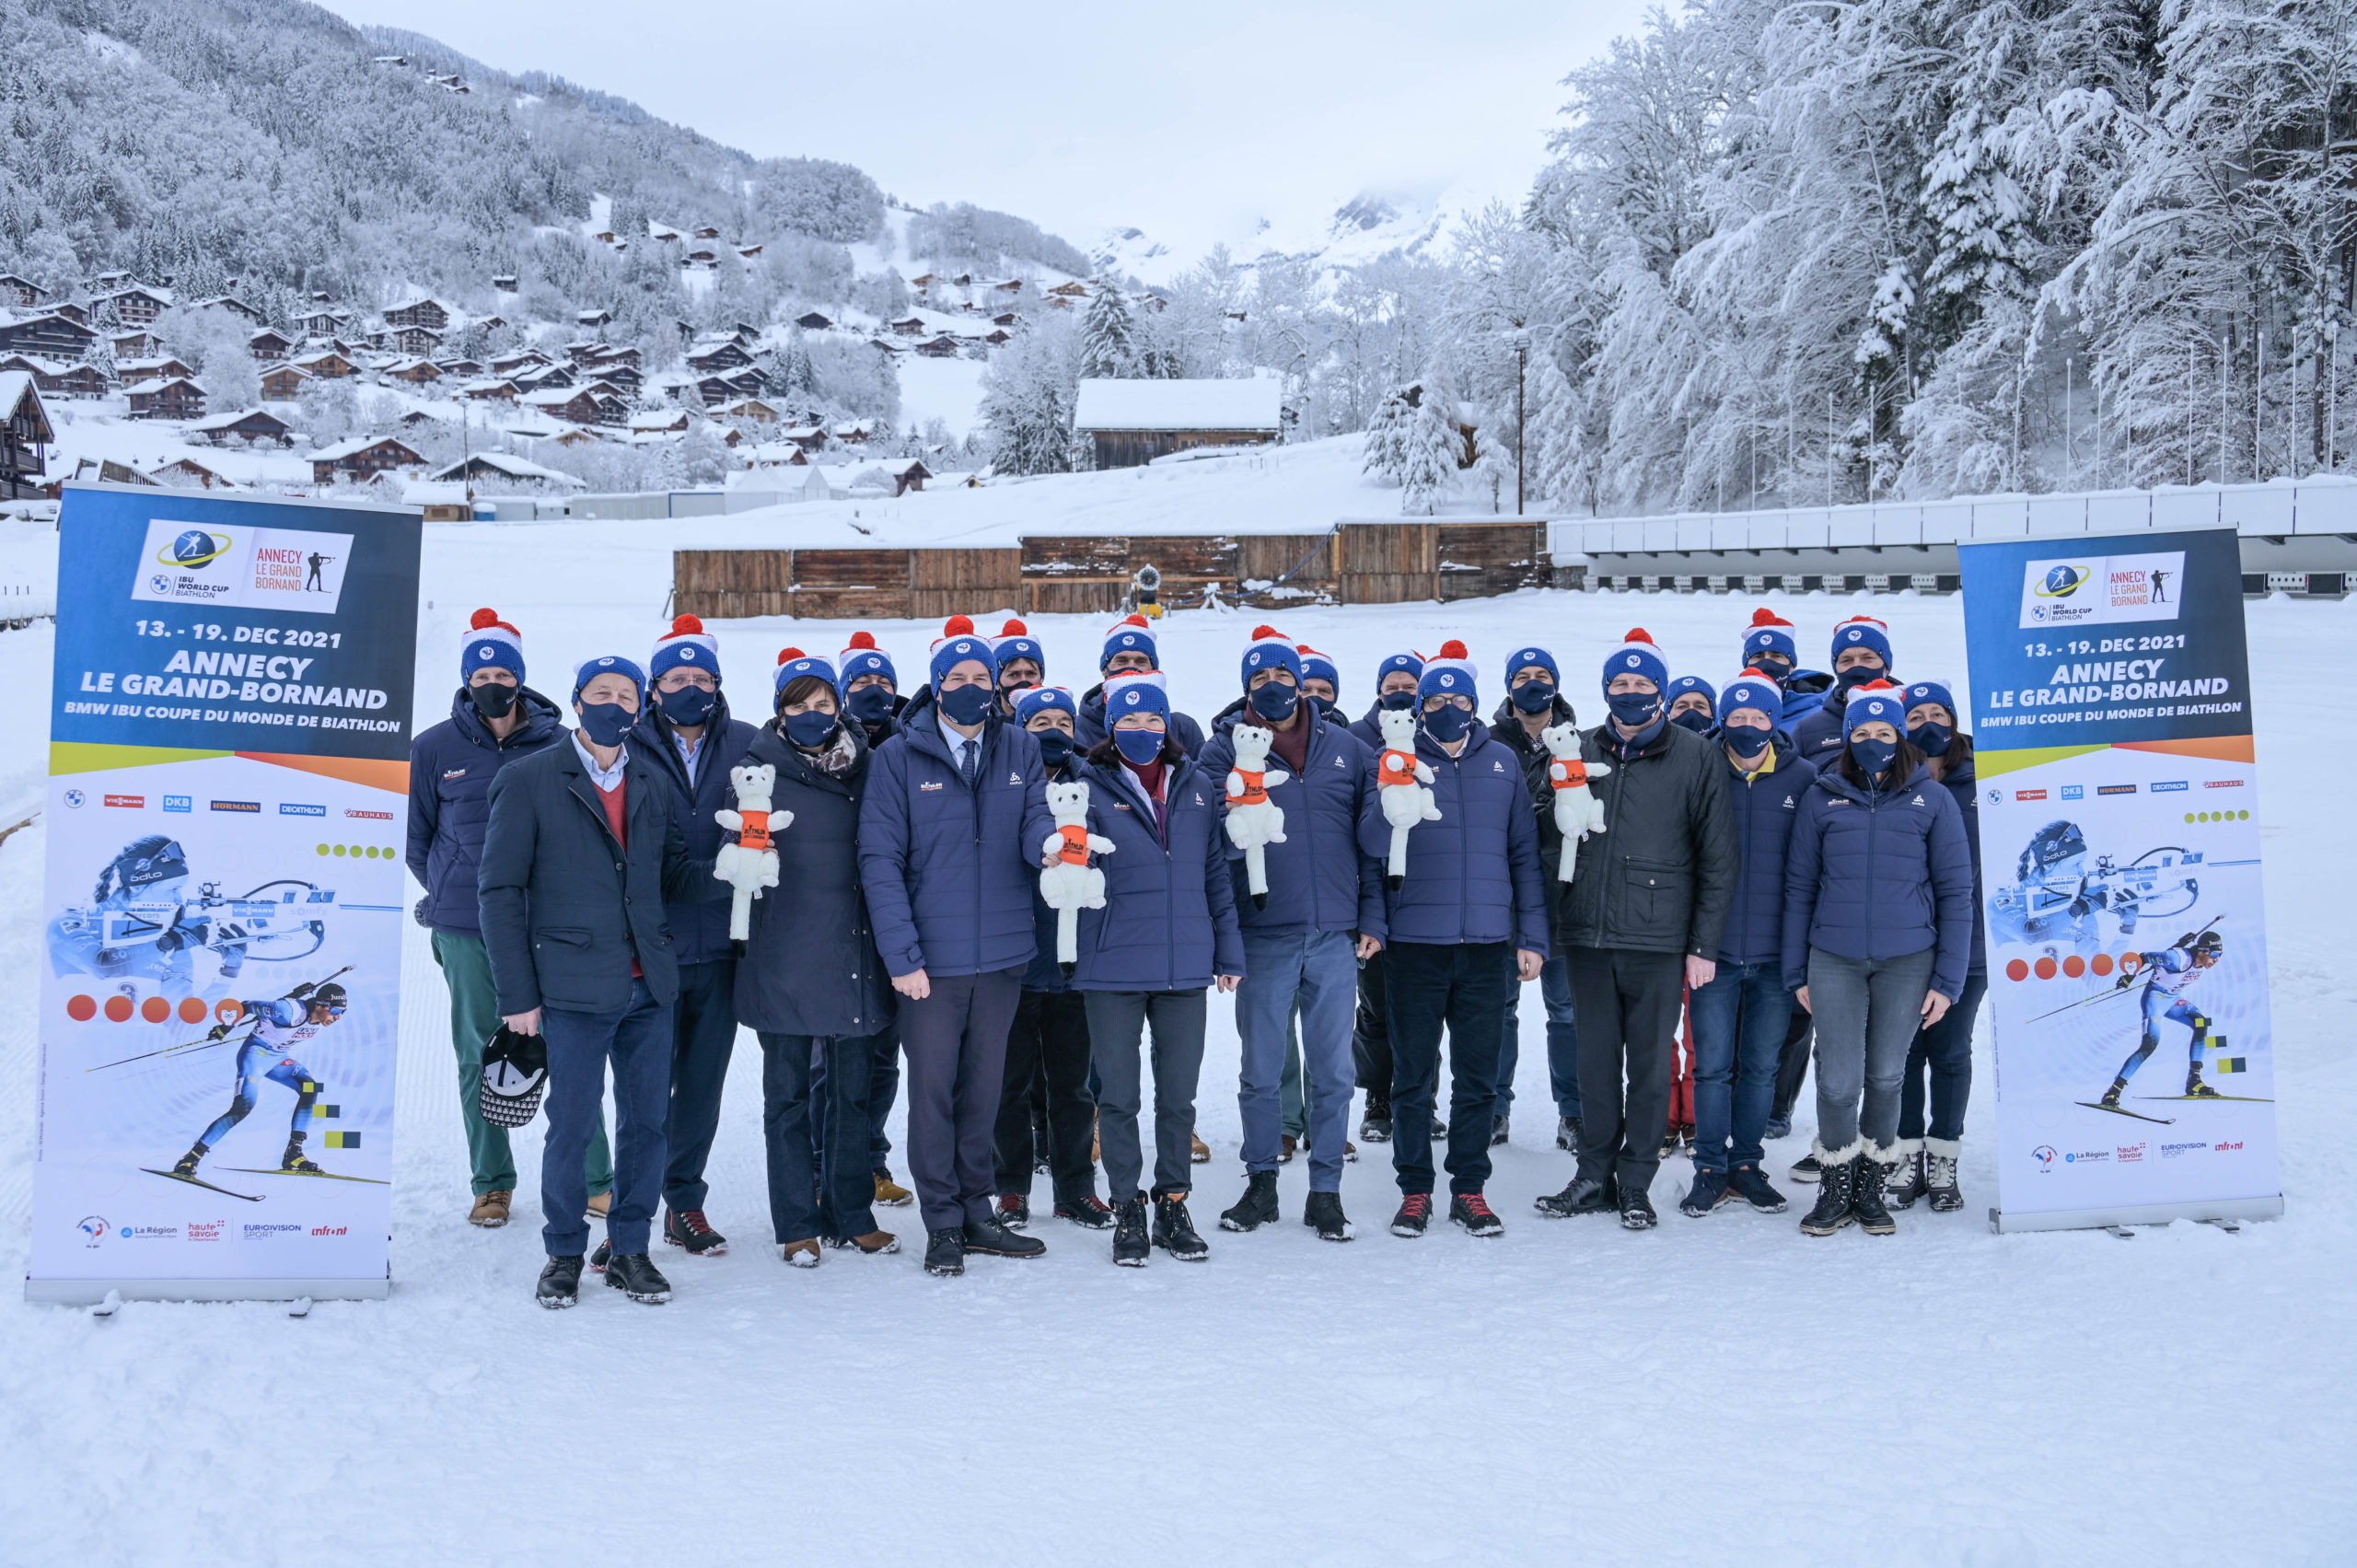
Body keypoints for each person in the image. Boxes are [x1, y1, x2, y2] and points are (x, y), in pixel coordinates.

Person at [480, 654, 718, 1308]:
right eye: (601, 692)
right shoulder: (529, 778)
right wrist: (517, 996)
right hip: (571, 986)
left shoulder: (649, 779)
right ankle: (563, 1252)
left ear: (640, 706)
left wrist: (732, 865)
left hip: (649, 984)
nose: (614, 703)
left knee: (649, 1123)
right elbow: (499, 891)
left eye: (626, 694)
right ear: (578, 701)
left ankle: (632, 1248)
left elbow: (670, 877)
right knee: (574, 1125)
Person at [859, 616, 1054, 1277]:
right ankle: (942, 1219)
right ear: (937, 686)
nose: (971, 688)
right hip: (930, 965)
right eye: (958, 678)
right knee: (934, 1092)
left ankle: (978, 1211)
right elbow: (879, 862)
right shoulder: (897, 758)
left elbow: (1036, 824)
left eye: (982, 678)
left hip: (1001, 956)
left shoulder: (1021, 748)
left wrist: (1054, 850)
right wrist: (903, 956)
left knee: (986, 1091)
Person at [405, 608, 611, 1229]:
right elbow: (417, 840)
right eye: (482, 671)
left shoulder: (558, 742)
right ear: (467, 678)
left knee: (570, 1048)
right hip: (467, 929)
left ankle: (595, 1176)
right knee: (479, 1051)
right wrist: (452, 891)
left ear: (520, 677)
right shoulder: (433, 748)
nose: (492, 681)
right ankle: (492, 1182)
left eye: (503, 670)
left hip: (549, 929)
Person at [1538, 630, 1736, 1231]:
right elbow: (1547, 838)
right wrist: (1553, 795)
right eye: (1620, 685)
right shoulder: (1578, 747)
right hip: (1588, 933)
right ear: (1605, 692)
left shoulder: (1696, 755)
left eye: (1642, 684)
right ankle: (1593, 1172)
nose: (1631, 693)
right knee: (1594, 1061)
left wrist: (1703, 943)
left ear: (1661, 691)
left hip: (1658, 936)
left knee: (1649, 1066)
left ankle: (1636, 1180)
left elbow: (1718, 857)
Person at [1358, 642, 1549, 1241]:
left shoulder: (1501, 764)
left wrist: (1532, 937)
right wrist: (1392, 785)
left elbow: (1523, 854)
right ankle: (1415, 1189)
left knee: (1478, 1076)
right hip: (1415, 943)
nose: (1447, 708)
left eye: (1457, 699)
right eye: (1434, 700)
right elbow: (1367, 843)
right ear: (1418, 706)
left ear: (1473, 703)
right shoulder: (1395, 757)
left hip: (1488, 944)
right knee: (1414, 1076)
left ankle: (1469, 1186)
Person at [1202, 628, 1383, 1244]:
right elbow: (1207, 846)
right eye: (1259, 681)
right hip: (1262, 937)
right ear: (1247, 689)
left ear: (1300, 680)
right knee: (1259, 1068)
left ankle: (1325, 1189)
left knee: (1332, 1070)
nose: (1273, 688)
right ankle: (1261, 1182)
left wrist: (1373, 919)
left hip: (1334, 936)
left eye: (1282, 676)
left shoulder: (1346, 747)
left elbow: (1373, 842)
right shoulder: (1224, 751)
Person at [1062, 669, 1244, 1263]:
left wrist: (1229, 951)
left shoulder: (1194, 786)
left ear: (1167, 725)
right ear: (1111, 728)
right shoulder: (1083, 785)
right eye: (1129, 720)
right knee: (1118, 1098)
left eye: (1152, 719)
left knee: (1178, 1097)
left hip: (1184, 966)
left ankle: (1171, 1200)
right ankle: (1127, 1209)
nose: (1141, 729)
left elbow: (1215, 872)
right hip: (1112, 967)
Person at [1782, 680, 1974, 1237]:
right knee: (1838, 1083)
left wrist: (1948, 978)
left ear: (1902, 735)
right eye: (1861, 733)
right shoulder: (1822, 795)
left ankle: (1870, 1189)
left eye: (1884, 732)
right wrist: (1799, 970)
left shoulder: (1931, 799)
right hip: (1834, 956)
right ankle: (1835, 1184)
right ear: (1847, 738)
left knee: (1887, 1077)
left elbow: (1955, 891)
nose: (1873, 741)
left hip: (1908, 959)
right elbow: (1799, 887)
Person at [734, 649, 900, 1265]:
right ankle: (797, 1223)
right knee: (789, 1098)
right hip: (784, 954)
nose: (812, 713)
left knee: (851, 1096)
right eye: (798, 704)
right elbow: (740, 851)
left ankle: (851, 1213)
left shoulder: (869, 766)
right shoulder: (757, 769)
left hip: (854, 949)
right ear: (780, 710)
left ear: (839, 706)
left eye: (822, 703)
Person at [634, 614, 758, 1258]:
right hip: (648, 949)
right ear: (654, 688)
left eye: (699, 676)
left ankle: (683, 1202)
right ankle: (629, 1212)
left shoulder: (749, 742)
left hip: (721, 948)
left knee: (702, 1085)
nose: (689, 687)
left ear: (716, 682)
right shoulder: (625, 745)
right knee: (645, 1088)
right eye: (675, 678)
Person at [1678, 672, 1815, 1218]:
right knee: (1711, 1066)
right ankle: (1710, 1167)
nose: (1749, 727)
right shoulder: (1700, 768)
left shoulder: (1802, 778)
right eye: (1738, 718)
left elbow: (1812, 869)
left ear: (1775, 721)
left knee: (1760, 1067)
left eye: (1760, 718)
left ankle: (1747, 1165)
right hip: (1710, 952)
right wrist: (1693, 942)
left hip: (1775, 956)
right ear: (1722, 721)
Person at [993, 684, 1110, 1231]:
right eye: (1041, 722)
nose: (1055, 731)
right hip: (1013, 960)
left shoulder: (1094, 784)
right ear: (1020, 727)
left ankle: (1075, 1189)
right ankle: (1011, 1188)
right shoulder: (1002, 785)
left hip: (1073, 964)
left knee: (1072, 1086)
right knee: (1008, 1084)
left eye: (1065, 720)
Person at [1887, 679, 1987, 1212]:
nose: (1928, 723)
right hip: (1904, 943)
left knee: (1949, 1050)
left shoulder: (1989, 774)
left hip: (1969, 941)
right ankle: (1905, 1156)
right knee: (1903, 1052)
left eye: (1938, 714)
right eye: (1916, 714)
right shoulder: (1889, 775)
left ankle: (1944, 1159)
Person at [1486, 645, 1584, 1154]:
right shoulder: (1484, 742)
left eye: (1541, 674)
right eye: (1521, 675)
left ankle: (1574, 1113)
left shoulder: (1579, 743)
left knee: (1567, 1013)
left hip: (1563, 900)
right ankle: (1494, 1110)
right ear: (1508, 687)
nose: (1531, 683)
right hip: (1500, 900)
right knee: (1497, 1011)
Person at [838, 629, 913, 1211]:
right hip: (837, 921)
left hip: (897, 915)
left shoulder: (913, 742)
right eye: (861, 680)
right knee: (834, 1055)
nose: (874, 689)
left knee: (885, 1052)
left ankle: (873, 1160)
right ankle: (826, 1164)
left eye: (884, 680)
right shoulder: (828, 745)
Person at [1348, 650, 1431, 1144]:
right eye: (1391, 684)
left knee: (1422, 1009)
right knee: (1376, 1006)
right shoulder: (1359, 740)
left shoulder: (1435, 739)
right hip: (1371, 889)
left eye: (1409, 684)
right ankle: (1378, 1097)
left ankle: (1423, 1098)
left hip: (1424, 894)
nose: (1399, 691)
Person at [168, 981, 348, 1182]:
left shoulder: (314, 1015)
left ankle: (294, 1154)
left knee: (310, 1088)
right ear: (320, 1005)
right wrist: (227, 1025)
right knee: (242, 1107)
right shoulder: (287, 1011)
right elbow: (244, 1005)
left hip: (277, 1058)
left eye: (343, 1012)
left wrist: (296, 995)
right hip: (255, 1056)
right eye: (334, 1011)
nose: (338, 1017)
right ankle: (191, 1158)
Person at [2096, 929, 2226, 1106]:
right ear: (2202, 951)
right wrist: (2130, 976)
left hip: (2173, 1001)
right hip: (2155, 1000)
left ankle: (2194, 1081)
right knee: (2150, 1043)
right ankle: (2113, 1091)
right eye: (2215, 954)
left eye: (2220, 955)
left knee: (2201, 1023)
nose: (2217, 960)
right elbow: (2142, 957)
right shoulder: (2176, 959)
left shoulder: (2199, 961)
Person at [1074, 613, 1207, 758]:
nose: (1131, 667)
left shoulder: (1183, 729)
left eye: (1141, 661)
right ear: (1105, 669)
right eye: (1121, 660)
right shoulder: (1078, 730)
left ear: (1153, 669)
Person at [1790, 614, 1898, 763]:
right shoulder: (1809, 729)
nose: (1857, 667)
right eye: (1847, 660)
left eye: (1867, 658)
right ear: (1836, 669)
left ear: (1886, 667)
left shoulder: (1914, 718)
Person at [991, 618, 1046, 714]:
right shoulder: (983, 726)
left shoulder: (1058, 720)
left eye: (1031, 673)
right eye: (1014, 675)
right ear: (996, 683)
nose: (1023, 681)